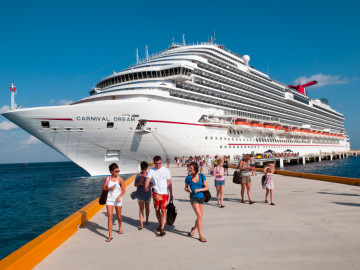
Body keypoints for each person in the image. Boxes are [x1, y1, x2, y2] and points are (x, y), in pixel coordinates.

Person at [145, 155, 173, 236]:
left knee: (163, 210)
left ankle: (162, 228)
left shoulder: (166, 170)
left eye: (160, 163)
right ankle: (161, 224)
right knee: (157, 210)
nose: (158, 165)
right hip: (156, 193)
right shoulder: (151, 171)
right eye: (157, 163)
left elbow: (169, 182)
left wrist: (171, 193)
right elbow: (147, 179)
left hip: (165, 193)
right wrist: (146, 186)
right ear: (154, 163)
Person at [184, 162, 208, 242]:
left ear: (195, 168)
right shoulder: (188, 177)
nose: (189, 169)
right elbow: (186, 188)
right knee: (199, 215)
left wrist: (199, 190)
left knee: (200, 217)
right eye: (189, 168)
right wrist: (189, 191)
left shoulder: (202, 176)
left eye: (191, 168)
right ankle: (200, 235)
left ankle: (194, 229)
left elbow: (206, 188)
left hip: (201, 198)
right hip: (193, 198)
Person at [103, 163, 126, 242]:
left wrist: (119, 196)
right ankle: (110, 236)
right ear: (111, 171)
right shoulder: (107, 179)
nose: (117, 172)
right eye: (116, 171)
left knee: (119, 216)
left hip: (118, 200)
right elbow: (103, 188)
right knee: (110, 217)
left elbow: (124, 190)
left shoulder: (120, 179)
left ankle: (120, 227)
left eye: (118, 171)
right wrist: (109, 188)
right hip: (109, 200)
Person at [134, 161, 152, 229]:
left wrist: (147, 185)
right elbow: (135, 184)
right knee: (141, 208)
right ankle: (141, 224)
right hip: (140, 193)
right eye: (143, 170)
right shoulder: (138, 175)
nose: (144, 171)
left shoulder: (149, 175)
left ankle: (147, 219)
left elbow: (152, 184)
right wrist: (139, 184)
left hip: (147, 193)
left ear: (147, 168)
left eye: (145, 169)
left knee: (147, 207)